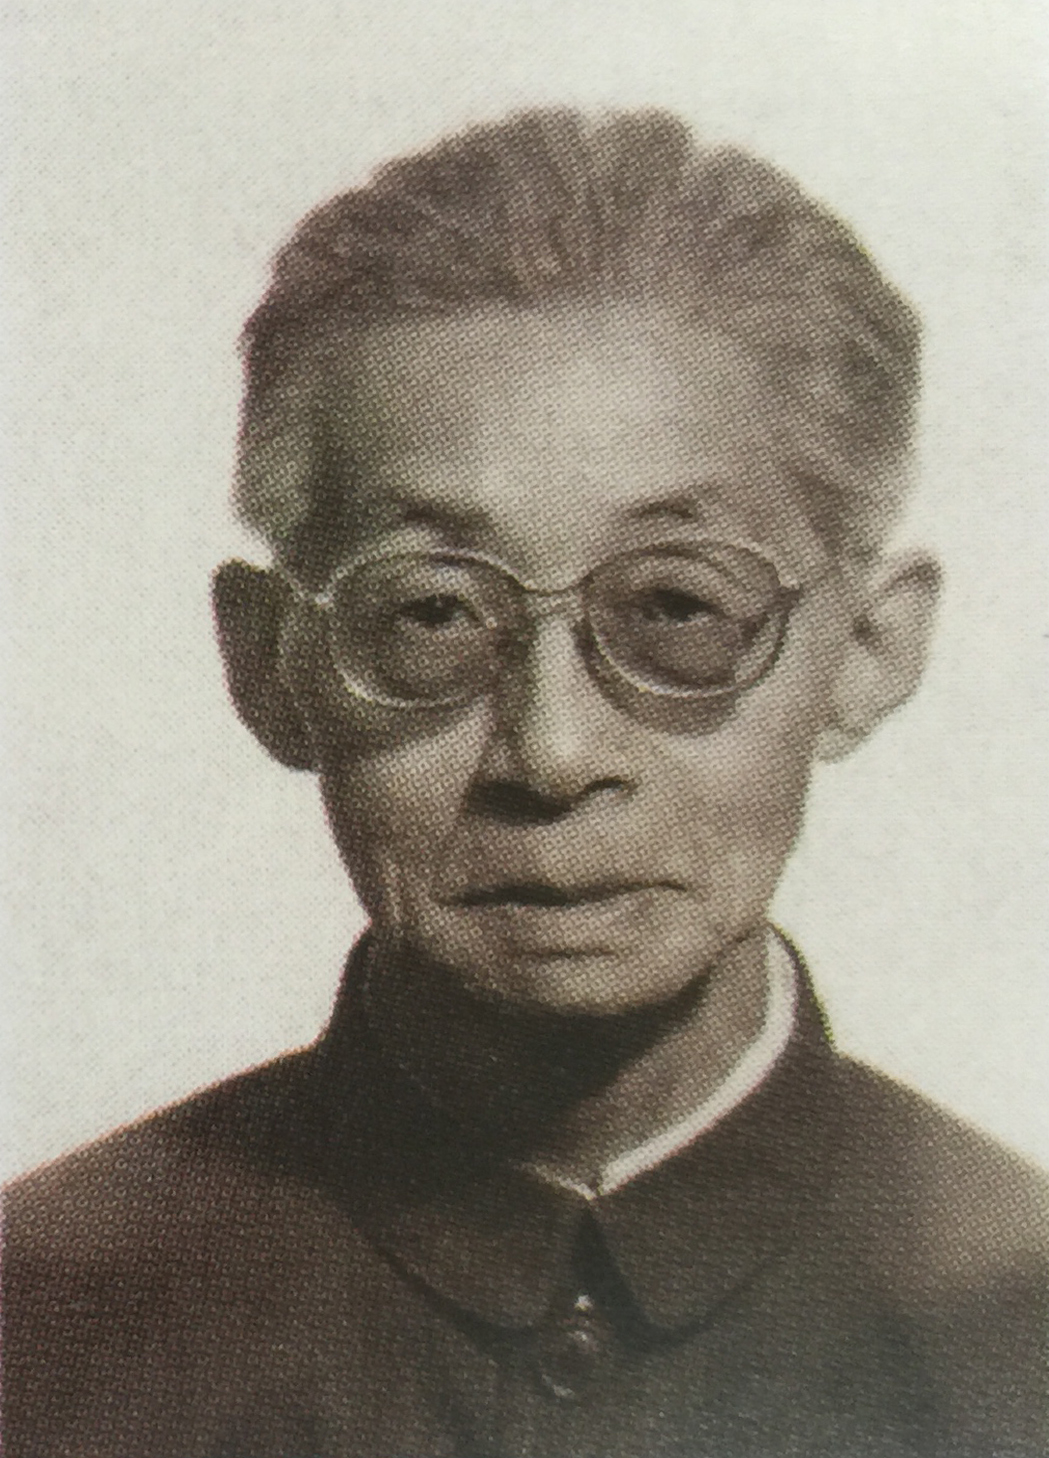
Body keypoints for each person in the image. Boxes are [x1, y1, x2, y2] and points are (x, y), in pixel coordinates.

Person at [3, 108, 1046, 1458]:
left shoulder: (1018, 1331)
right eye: (433, 613)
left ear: (865, 650)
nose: (552, 754)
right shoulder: (34, 1334)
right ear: (268, 665)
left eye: (675, 607)